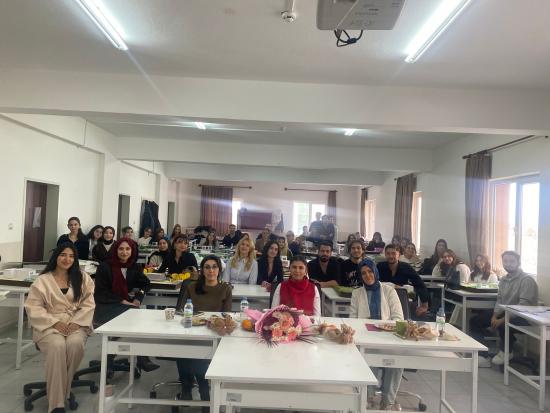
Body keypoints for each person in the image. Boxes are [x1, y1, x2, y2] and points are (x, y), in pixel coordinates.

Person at [24, 243, 95, 413]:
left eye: (71, 256)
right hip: (48, 324)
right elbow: (33, 307)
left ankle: (60, 391)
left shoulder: (83, 278)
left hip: (75, 323)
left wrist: (76, 322)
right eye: (63, 255)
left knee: (74, 344)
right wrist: (54, 323)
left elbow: (88, 304)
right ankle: (57, 404)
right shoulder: (43, 280)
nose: (67, 259)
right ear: (56, 256)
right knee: (57, 346)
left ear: (75, 259)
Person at [93, 238, 159, 372]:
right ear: (115, 250)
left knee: (135, 316)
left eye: (128, 249)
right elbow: (100, 292)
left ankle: (111, 359)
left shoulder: (134, 267)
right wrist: (122, 301)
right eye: (121, 249)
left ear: (132, 250)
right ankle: (142, 358)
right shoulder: (105, 267)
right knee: (134, 318)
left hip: (125, 307)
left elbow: (146, 284)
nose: (124, 252)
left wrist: (138, 298)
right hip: (105, 306)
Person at [176, 255, 232, 406]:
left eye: (214, 267)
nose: (211, 270)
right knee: (183, 348)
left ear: (219, 270)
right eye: (207, 267)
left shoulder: (225, 288)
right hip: (192, 330)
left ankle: (194, 387)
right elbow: (181, 311)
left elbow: (227, 315)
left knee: (197, 352)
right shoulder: (192, 287)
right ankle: (198, 388)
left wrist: (219, 323)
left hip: (214, 333)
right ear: (202, 270)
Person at [350, 259, 404, 411]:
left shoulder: (389, 291)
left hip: (388, 337)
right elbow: (352, 319)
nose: (367, 275)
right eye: (363, 273)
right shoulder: (356, 293)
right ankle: (367, 397)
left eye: (370, 271)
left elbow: (398, 318)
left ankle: (388, 400)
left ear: (375, 271)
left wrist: (384, 326)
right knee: (366, 356)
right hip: (364, 338)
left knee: (397, 360)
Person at [377, 244, 429, 317]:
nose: (391, 256)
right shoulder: (380, 266)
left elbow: (419, 283)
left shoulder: (406, 267)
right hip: (383, 300)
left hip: (401, 299)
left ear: (399, 255)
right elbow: (374, 283)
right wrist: (394, 286)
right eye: (388, 254)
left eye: (393, 253)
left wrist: (424, 305)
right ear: (385, 255)